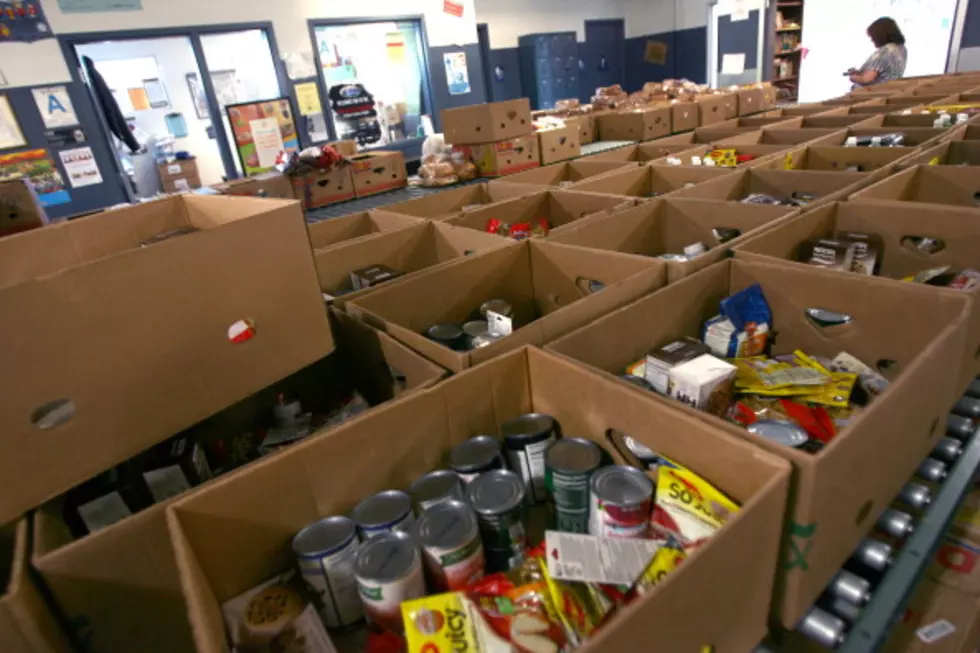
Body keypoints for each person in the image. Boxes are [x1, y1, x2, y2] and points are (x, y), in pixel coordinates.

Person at [847, 17, 907, 88]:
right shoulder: (902, 50)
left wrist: (853, 77)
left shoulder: (885, 51)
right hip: (890, 90)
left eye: (872, 37)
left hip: (871, 94)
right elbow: (885, 72)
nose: (872, 40)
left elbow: (866, 79)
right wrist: (860, 72)